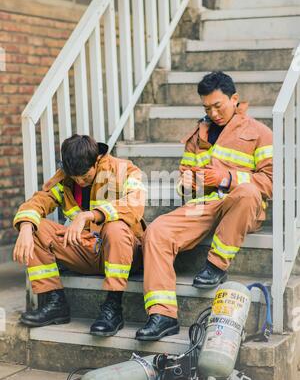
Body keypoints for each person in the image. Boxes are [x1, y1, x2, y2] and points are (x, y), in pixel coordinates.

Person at [136, 71, 273, 341]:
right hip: (204, 205)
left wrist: (226, 177)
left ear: (234, 99)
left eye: (217, 105)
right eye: (206, 108)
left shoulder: (260, 133)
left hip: (242, 204)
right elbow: (184, 176)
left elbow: (270, 181)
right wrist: (186, 183)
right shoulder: (198, 134)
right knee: (157, 230)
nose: (213, 113)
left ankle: (216, 265)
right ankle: (162, 315)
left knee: (246, 192)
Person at [13, 134, 146, 336]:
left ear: (97, 160)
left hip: (125, 253)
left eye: (85, 177)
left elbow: (135, 205)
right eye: (75, 178)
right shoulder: (66, 180)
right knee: (35, 226)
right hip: (88, 251)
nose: (80, 182)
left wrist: (89, 215)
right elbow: (38, 201)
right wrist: (24, 228)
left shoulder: (124, 170)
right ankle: (55, 302)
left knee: (115, 227)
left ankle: (113, 307)